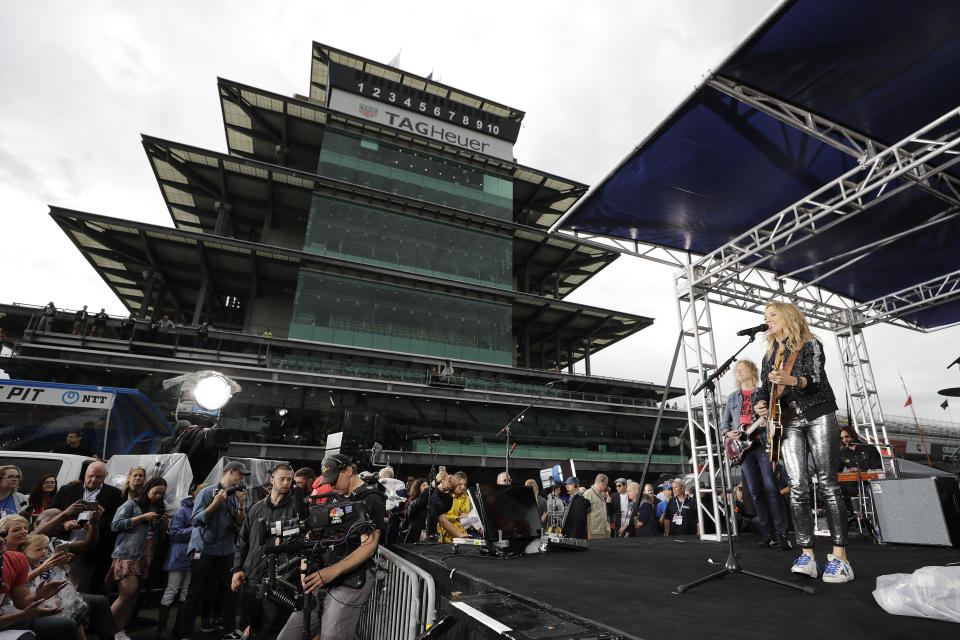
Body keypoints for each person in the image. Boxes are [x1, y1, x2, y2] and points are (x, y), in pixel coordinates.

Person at [755, 301, 852, 583]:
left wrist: (794, 380)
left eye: (772, 314)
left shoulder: (810, 344)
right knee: (796, 486)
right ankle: (807, 554)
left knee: (827, 482)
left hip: (818, 413)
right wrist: (761, 402)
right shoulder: (769, 353)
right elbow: (764, 386)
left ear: (787, 316)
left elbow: (818, 379)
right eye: (765, 316)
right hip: (787, 420)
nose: (767, 319)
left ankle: (840, 557)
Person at [275, 453, 385, 640]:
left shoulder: (371, 498)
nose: (331, 484)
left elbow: (369, 546)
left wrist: (331, 572)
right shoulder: (333, 498)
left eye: (334, 479)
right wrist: (304, 568)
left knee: (332, 635)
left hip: (349, 580)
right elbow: (312, 535)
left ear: (349, 471)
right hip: (320, 577)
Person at [721, 359, 791, 550]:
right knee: (754, 492)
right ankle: (769, 534)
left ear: (752, 371)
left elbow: (777, 413)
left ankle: (782, 534)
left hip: (762, 444)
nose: (738, 371)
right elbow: (724, 424)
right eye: (736, 369)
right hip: (743, 450)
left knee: (771, 488)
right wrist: (729, 433)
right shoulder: (733, 397)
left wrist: (767, 420)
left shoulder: (762, 393)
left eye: (742, 368)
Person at [179, 461, 249, 640]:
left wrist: (241, 505)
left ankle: (229, 629)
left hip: (227, 550)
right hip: (204, 549)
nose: (242, 479)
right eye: (240, 474)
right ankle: (185, 633)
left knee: (231, 591)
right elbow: (196, 520)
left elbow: (240, 523)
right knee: (196, 591)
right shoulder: (205, 492)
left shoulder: (235, 495)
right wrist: (215, 503)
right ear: (230, 472)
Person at [231, 464, 298, 640]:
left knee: (273, 631)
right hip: (252, 577)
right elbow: (242, 541)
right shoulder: (255, 508)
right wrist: (237, 569)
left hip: (280, 580)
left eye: (289, 479)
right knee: (248, 628)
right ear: (272, 480)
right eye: (282, 478)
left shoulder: (297, 509)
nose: (286, 483)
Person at [20, 532, 118, 640]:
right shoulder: (25, 565)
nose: (44, 551)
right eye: (38, 549)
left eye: (46, 548)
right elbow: (25, 586)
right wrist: (43, 568)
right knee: (68, 611)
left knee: (79, 607)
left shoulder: (44, 562)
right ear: (23, 552)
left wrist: (61, 566)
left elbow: (57, 580)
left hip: (53, 595)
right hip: (37, 600)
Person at [47, 461, 123, 594]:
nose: (93, 480)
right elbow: (49, 515)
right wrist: (64, 524)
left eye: (98, 477)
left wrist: (95, 523)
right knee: (53, 586)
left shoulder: (114, 494)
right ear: (85, 474)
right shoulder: (67, 490)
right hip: (62, 545)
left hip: (89, 550)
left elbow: (116, 520)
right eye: (91, 476)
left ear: (106, 476)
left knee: (79, 589)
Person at [108, 476, 168, 639]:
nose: (158, 496)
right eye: (156, 492)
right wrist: (141, 518)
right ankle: (105, 628)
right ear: (148, 489)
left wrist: (162, 523)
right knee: (128, 592)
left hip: (145, 556)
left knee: (134, 596)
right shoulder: (131, 504)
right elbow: (115, 525)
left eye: (162, 494)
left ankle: (119, 630)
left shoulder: (156, 507)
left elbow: (158, 534)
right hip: (127, 554)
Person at [0, 530, 75, 640]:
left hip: (7, 619)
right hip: (6, 619)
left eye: (2, 535)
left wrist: (38, 597)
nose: (2, 540)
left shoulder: (15, 559)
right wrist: (24, 614)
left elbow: (22, 600)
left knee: (67, 624)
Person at [158, 484, 206, 640]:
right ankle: (161, 629)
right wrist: (195, 529)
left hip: (195, 556)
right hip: (180, 556)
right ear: (195, 494)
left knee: (186, 592)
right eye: (200, 493)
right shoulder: (183, 510)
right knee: (171, 590)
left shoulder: (206, 511)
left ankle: (178, 627)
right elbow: (174, 533)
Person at [436, 472, 471, 543]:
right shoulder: (446, 496)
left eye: (465, 484)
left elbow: (467, 516)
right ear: (454, 483)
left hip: (462, 536)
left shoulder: (467, 498)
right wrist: (457, 518)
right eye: (460, 484)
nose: (463, 487)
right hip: (446, 537)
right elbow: (441, 517)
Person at [401, 478, 429, 543]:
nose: (427, 487)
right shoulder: (412, 501)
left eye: (427, 485)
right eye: (424, 485)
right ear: (418, 489)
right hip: (414, 538)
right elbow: (411, 511)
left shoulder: (430, 501)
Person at [583, 474, 610, 539]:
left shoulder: (600, 494)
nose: (606, 486)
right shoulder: (588, 494)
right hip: (594, 534)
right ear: (602, 483)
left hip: (604, 532)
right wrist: (588, 533)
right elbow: (584, 515)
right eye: (606, 484)